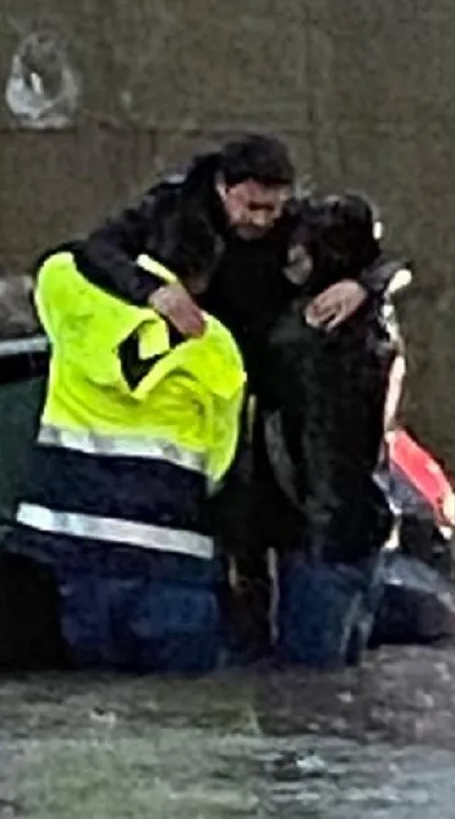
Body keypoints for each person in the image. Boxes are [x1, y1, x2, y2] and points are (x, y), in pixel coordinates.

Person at [61, 134, 409, 663]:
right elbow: (92, 252)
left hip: (272, 398)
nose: (263, 220)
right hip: (205, 395)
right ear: (224, 189)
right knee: (239, 563)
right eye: (251, 206)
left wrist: (364, 285)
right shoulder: (171, 212)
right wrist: (151, 291)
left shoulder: (304, 225)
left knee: (284, 560)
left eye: (274, 207)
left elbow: (391, 260)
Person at [8, 240, 248, 674]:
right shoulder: (216, 350)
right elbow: (220, 465)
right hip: (171, 576)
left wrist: (142, 285)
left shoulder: (76, 308)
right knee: (173, 724)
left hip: (67, 564)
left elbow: (62, 259)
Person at [253, 192, 401, 667]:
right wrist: (370, 282)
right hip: (370, 526)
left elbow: (282, 442)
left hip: (316, 538)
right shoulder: (378, 322)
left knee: (305, 692)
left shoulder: (298, 337)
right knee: (342, 685)